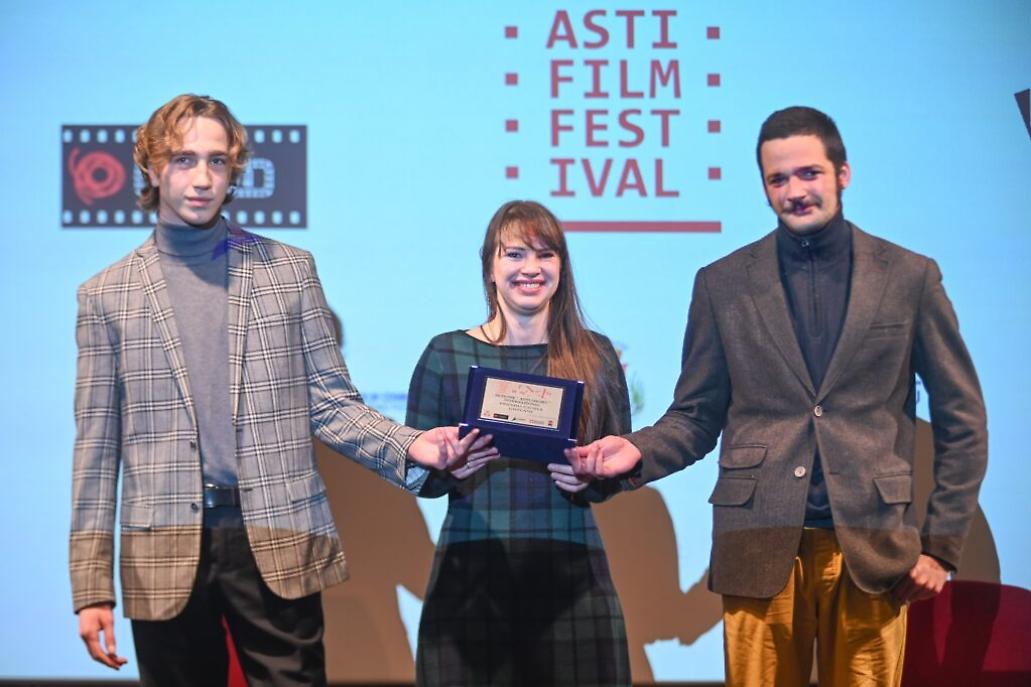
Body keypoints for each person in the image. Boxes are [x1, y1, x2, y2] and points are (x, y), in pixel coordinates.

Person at [70, 93, 494, 686]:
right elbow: (95, 448)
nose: (202, 178)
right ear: (151, 167)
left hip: (276, 533)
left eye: (217, 161)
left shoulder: (288, 271)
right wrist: (91, 587)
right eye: (184, 159)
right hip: (161, 547)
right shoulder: (106, 294)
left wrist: (412, 445)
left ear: (234, 170)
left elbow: (331, 403)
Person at [563, 106, 988, 686]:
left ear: (843, 173)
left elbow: (963, 418)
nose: (795, 191)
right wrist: (635, 450)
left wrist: (940, 546)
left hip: (873, 546)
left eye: (809, 173)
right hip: (756, 544)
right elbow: (695, 416)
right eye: (778, 179)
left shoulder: (909, 277)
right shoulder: (722, 283)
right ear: (764, 188)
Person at [406, 200, 632, 686]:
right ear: (490, 267)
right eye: (514, 254)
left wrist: (590, 477)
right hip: (471, 570)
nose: (531, 268)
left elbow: (618, 463)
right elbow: (416, 470)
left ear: (561, 268)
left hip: (572, 572)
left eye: (545, 254)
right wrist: (447, 467)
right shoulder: (447, 353)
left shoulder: (595, 354)